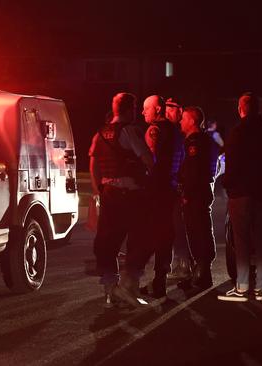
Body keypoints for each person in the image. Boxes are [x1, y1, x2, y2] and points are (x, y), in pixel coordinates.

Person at [89, 92, 155, 307]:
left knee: (108, 242)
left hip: (109, 192)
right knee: (140, 239)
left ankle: (110, 291)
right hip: (130, 194)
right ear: (130, 109)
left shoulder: (100, 133)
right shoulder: (129, 131)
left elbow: (94, 164)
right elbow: (147, 158)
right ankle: (128, 285)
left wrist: (99, 188)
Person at [218, 92, 262, 302]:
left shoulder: (237, 133)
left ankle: (243, 286)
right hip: (261, 192)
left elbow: (232, 163)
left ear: (241, 109)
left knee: (242, 239)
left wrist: (228, 184)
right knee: (261, 239)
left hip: (241, 193)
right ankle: (261, 286)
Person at [140, 94, 176, 301]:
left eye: (147, 108)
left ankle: (145, 280)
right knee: (165, 236)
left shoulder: (155, 130)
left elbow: (150, 161)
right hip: (168, 190)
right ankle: (159, 279)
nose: (143, 112)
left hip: (155, 191)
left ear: (158, 110)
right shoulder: (173, 130)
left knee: (151, 235)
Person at [178, 106, 217, 290]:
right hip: (198, 192)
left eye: (183, 119)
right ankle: (199, 272)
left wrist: (186, 192)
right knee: (196, 231)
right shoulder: (201, 141)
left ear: (192, 121)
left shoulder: (196, 142)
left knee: (198, 231)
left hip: (195, 193)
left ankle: (202, 274)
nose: (180, 122)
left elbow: (193, 172)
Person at [165, 98, 193, 282]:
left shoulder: (177, 133)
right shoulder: (171, 132)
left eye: (173, 110)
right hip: (172, 186)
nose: (173, 114)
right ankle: (181, 263)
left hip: (175, 187)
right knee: (174, 228)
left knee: (177, 228)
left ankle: (183, 264)